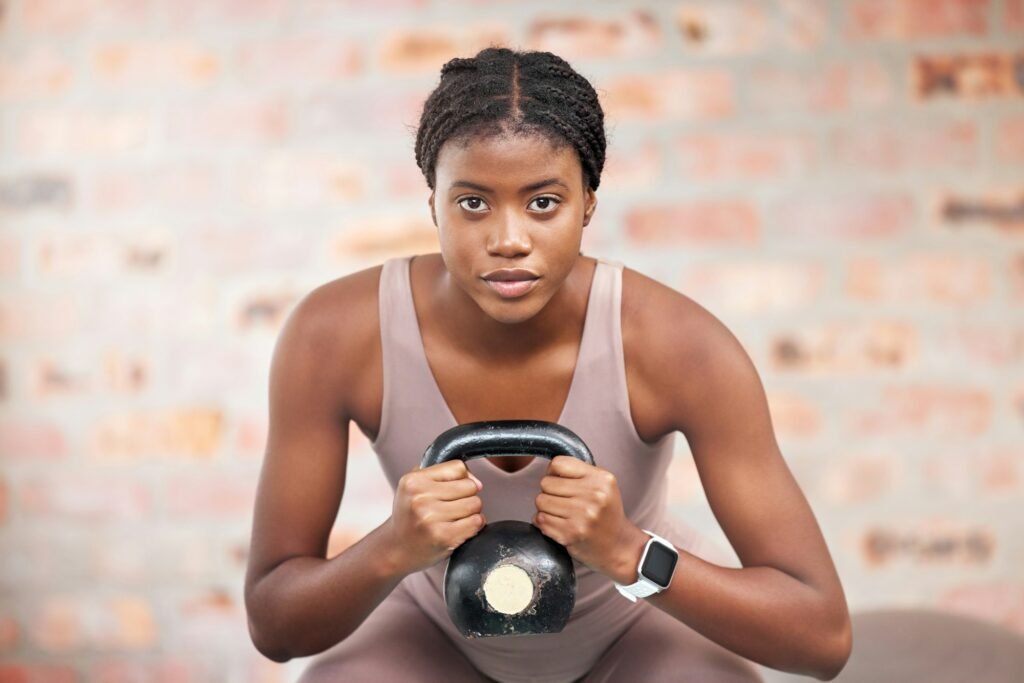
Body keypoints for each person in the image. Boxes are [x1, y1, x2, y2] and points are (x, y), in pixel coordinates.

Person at [243, 47, 852, 683]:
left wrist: (628, 552)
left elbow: (821, 638)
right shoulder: (334, 334)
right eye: (473, 203)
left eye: (543, 203)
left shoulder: (681, 347)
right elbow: (276, 628)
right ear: (433, 204)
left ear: (588, 202)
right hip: (431, 637)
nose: (509, 240)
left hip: (633, 628)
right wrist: (392, 549)